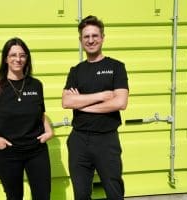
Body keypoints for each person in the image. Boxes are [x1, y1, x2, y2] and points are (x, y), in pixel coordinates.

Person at [62, 15, 129, 200]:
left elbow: (120, 103)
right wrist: (100, 97)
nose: (90, 40)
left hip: (106, 140)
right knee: (81, 194)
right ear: (81, 40)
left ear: (102, 37)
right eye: (86, 37)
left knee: (114, 191)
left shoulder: (116, 67)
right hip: (79, 140)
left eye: (94, 36)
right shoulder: (75, 71)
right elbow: (67, 102)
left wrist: (82, 104)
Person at [0, 37, 53, 200]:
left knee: (43, 196)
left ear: (27, 59)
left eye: (22, 55)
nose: (18, 59)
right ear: (6, 59)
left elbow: (40, 113)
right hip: (8, 154)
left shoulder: (36, 85)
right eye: (13, 55)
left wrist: (49, 131)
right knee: (14, 197)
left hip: (36, 151)